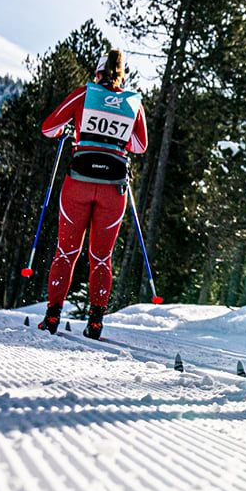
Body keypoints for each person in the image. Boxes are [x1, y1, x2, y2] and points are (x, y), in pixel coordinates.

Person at [37, 49, 148, 339]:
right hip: (113, 189)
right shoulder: (133, 102)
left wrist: (71, 131)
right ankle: (96, 322)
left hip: (79, 182)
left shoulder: (82, 94)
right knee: (101, 257)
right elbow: (139, 145)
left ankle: (52, 317)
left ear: (98, 72)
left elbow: (48, 128)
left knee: (66, 252)